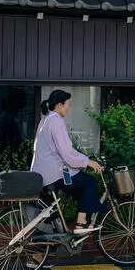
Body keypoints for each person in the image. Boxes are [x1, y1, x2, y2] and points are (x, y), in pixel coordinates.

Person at [29, 90, 106, 234]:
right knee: (88, 183)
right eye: (68, 105)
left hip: (42, 174)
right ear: (59, 105)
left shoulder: (45, 118)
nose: (69, 108)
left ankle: (38, 254)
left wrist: (82, 161)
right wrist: (88, 162)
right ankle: (80, 225)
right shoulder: (56, 121)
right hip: (55, 173)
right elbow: (67, 154)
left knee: (46, 214)